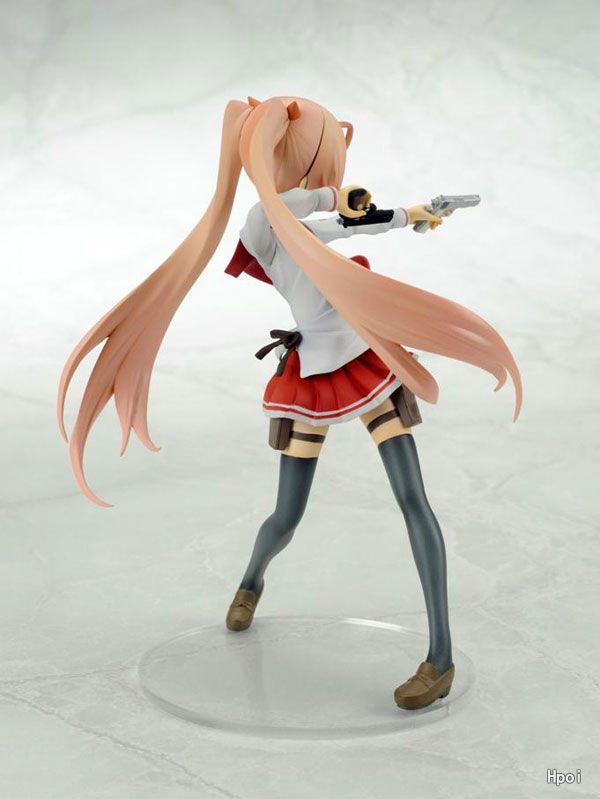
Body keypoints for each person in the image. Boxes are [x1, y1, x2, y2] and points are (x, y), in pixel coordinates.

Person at [58, 95, 522, 710]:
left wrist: (415, 213)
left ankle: (440, 658)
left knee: (414, 499)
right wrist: (332, 197)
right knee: (286, 516)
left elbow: (357, 223)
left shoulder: (315, 226)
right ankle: (251, 581)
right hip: (313, 380)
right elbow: (293, 216)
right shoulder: (267, 231)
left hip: (368, 365)